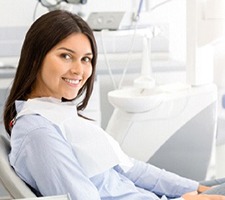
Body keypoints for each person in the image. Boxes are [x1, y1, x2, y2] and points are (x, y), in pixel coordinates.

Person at [3, 10, 225, 200]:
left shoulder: (55, 112)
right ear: (35, 58)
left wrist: (193, 188)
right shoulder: (38, 132)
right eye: (66, 56)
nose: (79, 71)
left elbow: (130, 169)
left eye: (86, 59)